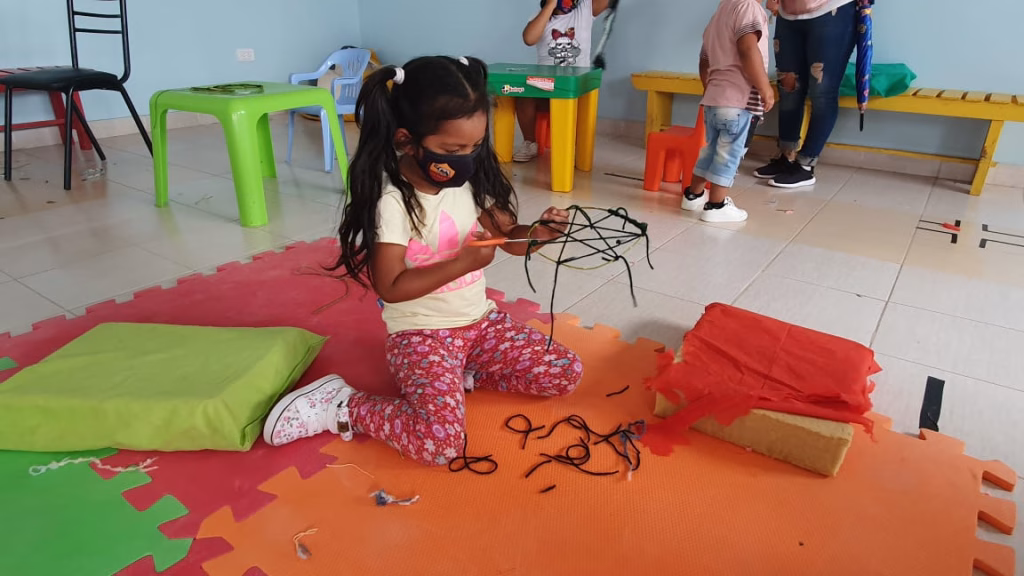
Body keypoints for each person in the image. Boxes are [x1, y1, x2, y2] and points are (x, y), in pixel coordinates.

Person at [262, 56, 584, 466]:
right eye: (453, 150)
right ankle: (342, 405)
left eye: (474, 146)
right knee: (440, 444)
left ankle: (460, 373)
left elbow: (509, 238)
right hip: (421, 336)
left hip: (479, 325)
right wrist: (463, 264)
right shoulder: (393, 201)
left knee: (565, 371)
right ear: (407, 140)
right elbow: (391, 286)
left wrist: (539, 234)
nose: (467, 158)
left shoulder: (468, 180)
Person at [681, 0, 777, 223]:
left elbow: (704, 60)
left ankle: (693, 195)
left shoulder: (719, 14)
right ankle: (716, 205)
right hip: (739, 101)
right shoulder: (749, 7)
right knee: (729, 153)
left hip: (715, 98)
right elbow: (747, 48)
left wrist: (711, 88)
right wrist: (765, 87)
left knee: (710, 150)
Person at [753, 0, 858, 188]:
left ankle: (806, 165)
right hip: (788, 13)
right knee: (788, 88)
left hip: (833, 11)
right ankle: (786, 156)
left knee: (822, 93)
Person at [512, 0, 611, 162]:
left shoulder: (585, 9)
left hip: (575, 89)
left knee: (571, 107)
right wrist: (550, 5)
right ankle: (530, 142)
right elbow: (529, 39)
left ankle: (576, 147)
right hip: (547, 88)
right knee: (524, 94)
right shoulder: (541, 16)